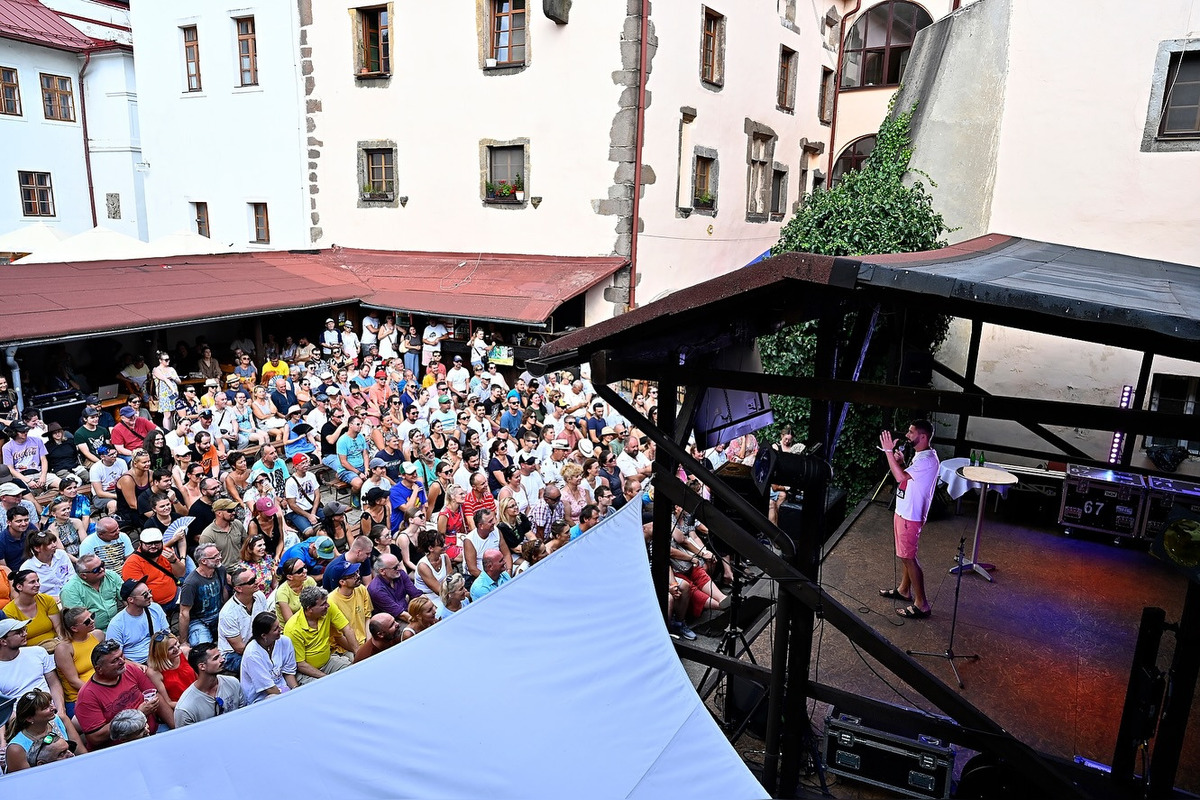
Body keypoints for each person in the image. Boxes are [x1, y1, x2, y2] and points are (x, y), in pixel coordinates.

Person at [879, 420, 939, 620]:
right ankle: (904, 590)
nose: (907, 434)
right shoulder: (920, 456)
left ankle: (922, 604)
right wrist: (902, 462)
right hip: (903, 511)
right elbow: (907, 476)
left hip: (911, 516)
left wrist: (888, 452)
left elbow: (898, 478)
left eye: (911, 432)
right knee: (906, 554)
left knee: (908, 557)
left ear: (923, 437)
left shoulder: (927, 460)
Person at [76, 640, 174, 748]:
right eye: (115, 661)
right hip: (122, 748)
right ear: (99, 669)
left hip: (153, 733)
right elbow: (95, 737)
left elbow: (156, 697)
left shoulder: (130, 670)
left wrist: (177, 728)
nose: (122, 661)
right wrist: (138, 714)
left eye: (122, 656)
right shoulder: (87, 695)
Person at [283, 586, 356, 684]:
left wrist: (359, 653)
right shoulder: (293, 628)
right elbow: (300, 664)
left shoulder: (328, 608)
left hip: (328, 661)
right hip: (306, 672)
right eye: (323, 604)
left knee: (352, 672)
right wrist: (327, 678)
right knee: (323, 688)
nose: (328, 605)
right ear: (309, 609)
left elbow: (347, 629)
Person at [3, 688, 87, 772]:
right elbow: (26, 781)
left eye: (51, 703)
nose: (53, 707)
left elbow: (82, 754)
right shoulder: (16, 749)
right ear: (29, 718)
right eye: (46, 707)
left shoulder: (61, 720)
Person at [0, 618, 66, 715]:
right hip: (22, 718)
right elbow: (4, 706)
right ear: (3, 641)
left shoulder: (38, 652)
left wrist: (61, 711)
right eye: (19, 632)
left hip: (51, 710)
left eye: (24, 629)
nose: (25, 634)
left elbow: (54, 683)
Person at [174, 642, 245, 727]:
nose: (222, 660)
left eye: (220, 656)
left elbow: (244, 715)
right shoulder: (185, 708)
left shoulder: (233, 683)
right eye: (216, 658)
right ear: (202, 666)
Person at [217, 566, 271, 673]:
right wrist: (266, 652)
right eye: (251, 581)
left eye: (255, 578)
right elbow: (239, 648)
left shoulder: (260, 596)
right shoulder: (228, 613)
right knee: (261, 665)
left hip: (257, 644)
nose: (256, 582)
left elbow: (266, 624)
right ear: (238, 588)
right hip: (232, 655)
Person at [53, 606, 104, 718]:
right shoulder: (64, 649)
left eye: (92, 616)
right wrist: (101, 691)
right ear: (74, 628)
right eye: (87, 621)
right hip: (79, 697)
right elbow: (74, 681)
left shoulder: (98, 635)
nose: (92, 621)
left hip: (104, 685)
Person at [104, 579, 168, 664]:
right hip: (138, 663)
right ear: (131, 600)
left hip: (160, 654)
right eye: (145, 594)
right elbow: (115, 657)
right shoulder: (116, 624)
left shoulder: (155, 608)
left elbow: (167, 633)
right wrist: (138, 666)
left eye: (149, 591)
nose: (150, 596)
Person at [121, 528, 185, 613]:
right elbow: (139, 593)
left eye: (157, 543)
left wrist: (174, 561)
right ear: (140, 544)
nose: (153, 546)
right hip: (152, 605)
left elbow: (181, 573)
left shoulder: (167, 552)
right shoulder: (132, 563)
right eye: (149, 544)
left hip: (175, 596)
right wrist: (156, 611)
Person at [240, 611, 298, 704]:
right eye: (276, 629)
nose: (281, 629)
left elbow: (288, 673)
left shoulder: (285, 641)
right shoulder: (252, 654)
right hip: (261, 698)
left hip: (283, 690)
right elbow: (269, 688)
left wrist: (296, 691)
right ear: (264, 635)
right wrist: (291, 701)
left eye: (279, 626)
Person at [178, 543, 229, 645]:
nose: (220, 558)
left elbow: (224, 591)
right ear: (203, 561)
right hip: (199, 621)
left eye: (219, 554)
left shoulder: (220, 570)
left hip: (219, 616)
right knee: (204, 651)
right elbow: (184, 613)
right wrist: (183, 641)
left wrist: (227, 612)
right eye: (215, 557)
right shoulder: (191, 583)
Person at [60, 555, 123, 631]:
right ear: (83, 575)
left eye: (102, 565)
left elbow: (127, 598)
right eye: (96, 570)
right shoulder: (70, 590)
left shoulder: (111, 575)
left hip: (118, 625)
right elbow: (78, 621)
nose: (102, 569)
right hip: (92, 633)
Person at [3, 570, 64, 647]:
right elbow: (15, 641)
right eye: (32, 582)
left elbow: (58, 626)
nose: (37, 584)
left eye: (38, 581)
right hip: (28, 651)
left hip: (55, 644)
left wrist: (62, 643)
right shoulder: (9, 612)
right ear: (19, 587)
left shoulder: (47, 600)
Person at [325, 560, 372, 653]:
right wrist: (360, 650)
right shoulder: (330, 602)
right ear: (342, 582)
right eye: (353, 575)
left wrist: (369, 643)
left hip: (365, 641)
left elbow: (367, 618)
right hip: (345, 648)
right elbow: (338, 637)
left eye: (357, 572)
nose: (358, 576)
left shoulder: (361, 589)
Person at [20, 529, 73, 599]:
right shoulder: (27, 567)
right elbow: (31, 593)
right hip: (46, 602)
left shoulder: (62, 554)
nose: (54, 545)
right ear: (37, 548)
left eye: (54, 542)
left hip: (70, 595)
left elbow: (72, 576)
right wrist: (53, 599)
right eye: (49, 544)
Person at [144, 631, 193, 708]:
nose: (176, 648)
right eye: (170, 648)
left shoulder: (186, 652)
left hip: (199, 697)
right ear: (160, 653)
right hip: (180, 707)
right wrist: (190, 706)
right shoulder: (154, 671)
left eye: (176, 643)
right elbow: (168, 702)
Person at [367, 553, 421, 620]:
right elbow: (400, 614)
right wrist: (421, 622)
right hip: (393, 622)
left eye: (398, 565)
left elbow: (417, 594)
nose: (399, 568)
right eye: (395, 567)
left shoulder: (400, 574)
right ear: (382, 571)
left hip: (407, 611)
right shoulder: (376, 590)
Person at [198, 498, 247, 565]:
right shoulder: (207, 535)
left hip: (242, 565)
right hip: (224, 571)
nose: (233, 512)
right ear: (219, 513)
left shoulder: (237, 524)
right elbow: (206, 561)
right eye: (230, 510)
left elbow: (246, 544)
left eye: (234, 510)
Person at [273, 557, 317, 623]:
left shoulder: (309, 581)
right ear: (290, 577)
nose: (305, 571)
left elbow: (319, 601)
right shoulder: (282, 592)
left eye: (304, 567)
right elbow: (290, 622)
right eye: (300, 571)